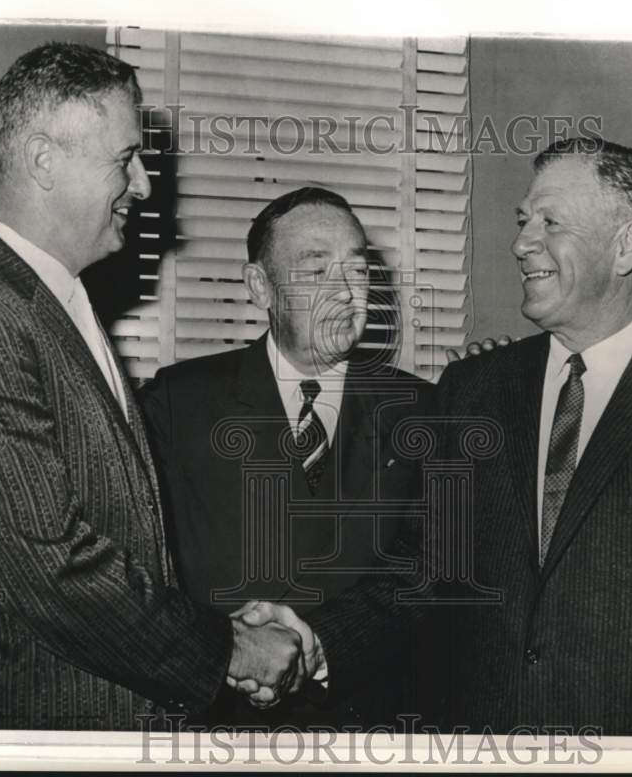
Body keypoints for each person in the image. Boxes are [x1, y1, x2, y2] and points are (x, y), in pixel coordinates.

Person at [239, 138, 632, 737]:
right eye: (524, 221)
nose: (522, 243)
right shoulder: (472, 389)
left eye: (550, 222)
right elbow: (422, 572)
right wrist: (316, 642)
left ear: (627, 245)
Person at [0, 43, 306, 730]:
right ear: (43, 161)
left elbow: (115, 537)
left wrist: (217, 629)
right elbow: (49, 569)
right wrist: (230, 649)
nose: (143, 185)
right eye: (125, 159)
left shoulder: (53, 304)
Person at [140, 187, 433, 728]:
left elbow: (427, 572)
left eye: (358, 270)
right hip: (217, 731)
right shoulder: (177, 404)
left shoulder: (422, 410)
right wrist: (226, 648)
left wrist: (320, 644)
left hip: (367, 733)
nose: (345, 293)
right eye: (316, 271)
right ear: (261, 287)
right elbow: (140, 567)